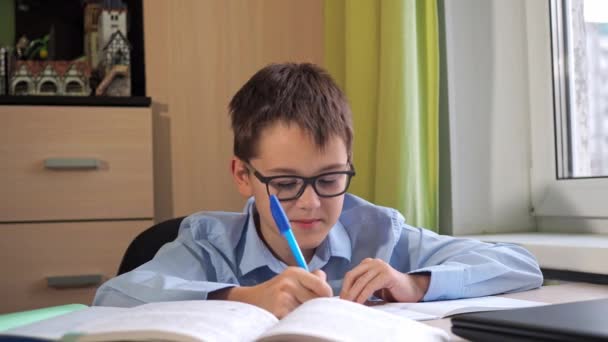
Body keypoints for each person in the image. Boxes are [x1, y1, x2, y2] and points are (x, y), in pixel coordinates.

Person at [93, 63, 543, 318]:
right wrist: (245, 296)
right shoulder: (209, 242)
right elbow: (112, 297)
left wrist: (413, 283)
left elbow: (520, 266)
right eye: (285, 183)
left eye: (330, 180)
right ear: (242, 175)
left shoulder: (378, 232)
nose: (310, 203)